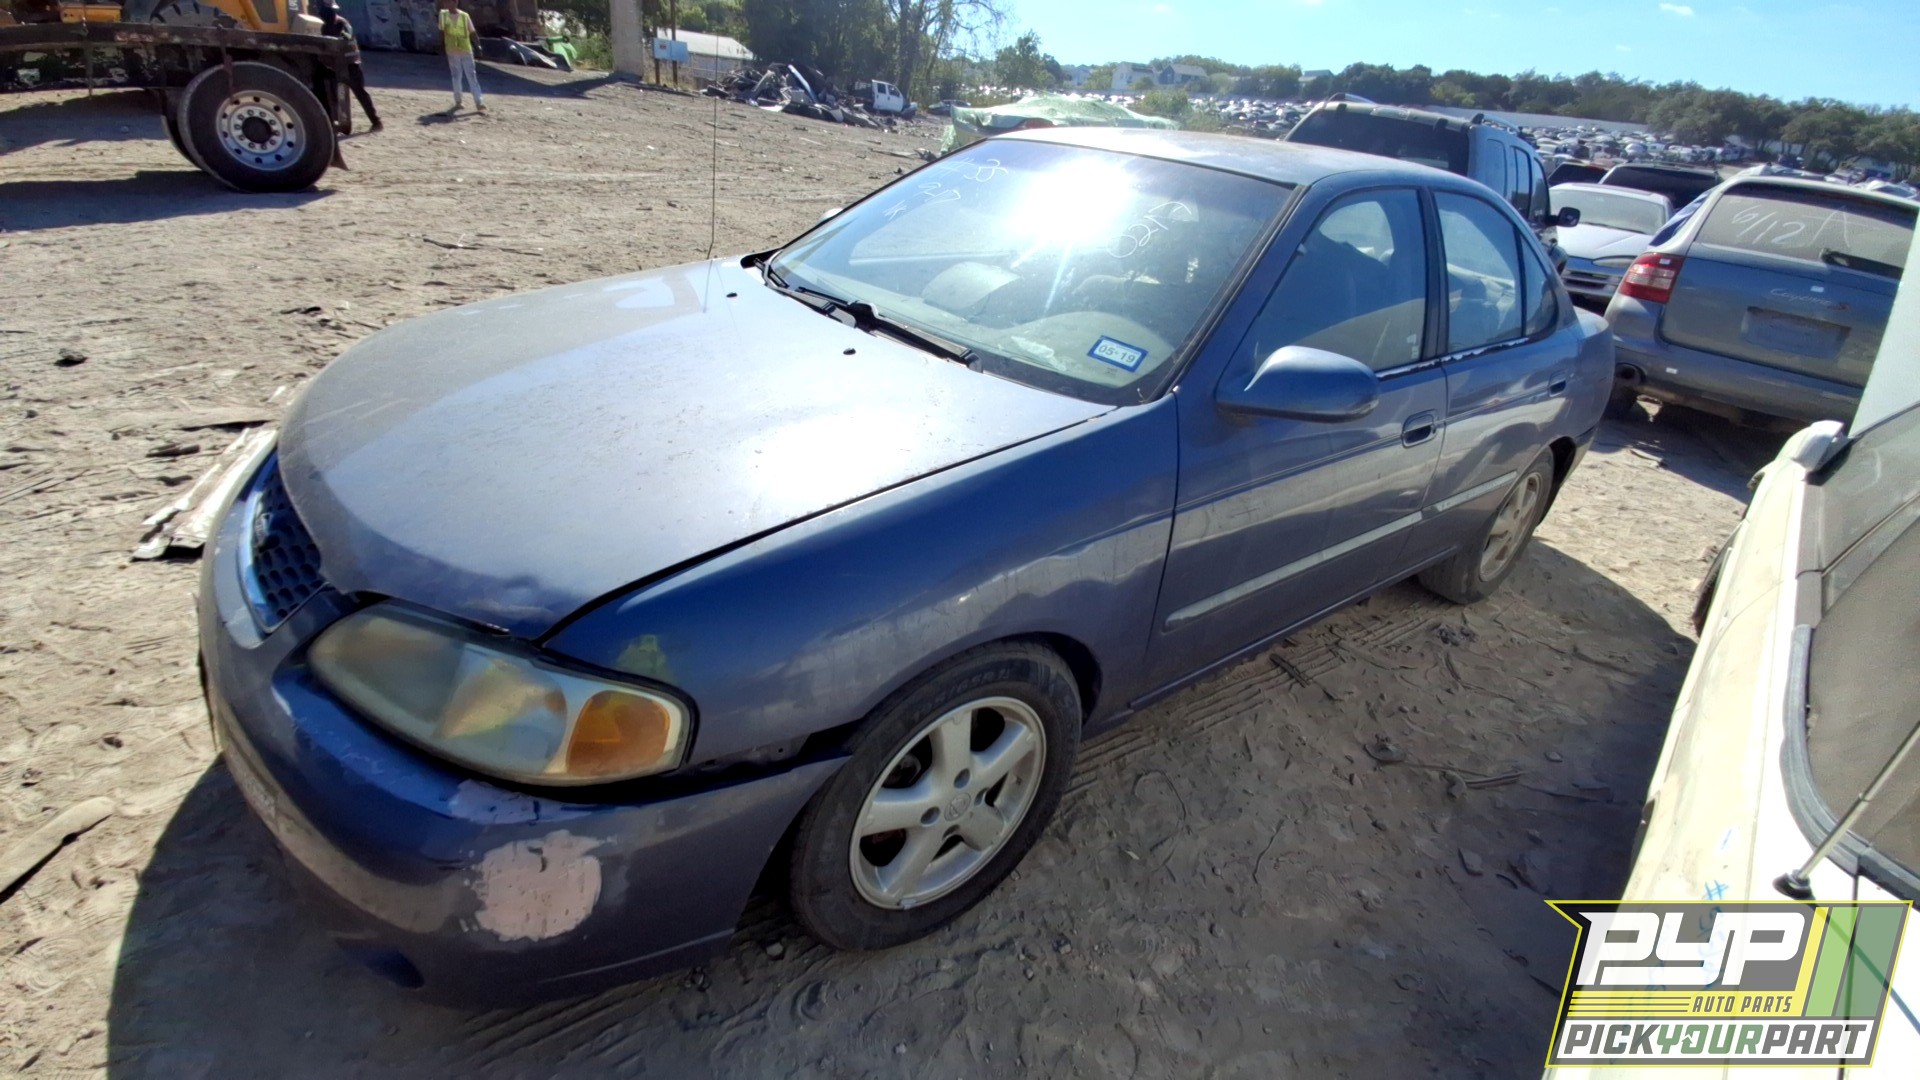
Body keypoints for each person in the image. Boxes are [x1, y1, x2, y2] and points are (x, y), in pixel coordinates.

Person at [313, 0, 380, 131]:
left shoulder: (339, 24)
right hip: (339, 64)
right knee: (333, 93)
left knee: (359, 93)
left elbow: (339, 41)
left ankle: (375, 121)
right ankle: (341, 125)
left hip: (349, 64)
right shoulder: (332, 23)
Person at [437, 0, 484, 115]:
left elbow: (472, 32)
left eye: (449, 2)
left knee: (471, 75)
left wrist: (478, 46)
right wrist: (441, 46)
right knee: (456, 76)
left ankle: (479, 102)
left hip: (465, 49)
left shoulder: (464, 16)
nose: (446, 4)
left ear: (455, 3)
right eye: (445, 3)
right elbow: (441, 32)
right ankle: (458, 101)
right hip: (452, 49)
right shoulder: (443, 15)